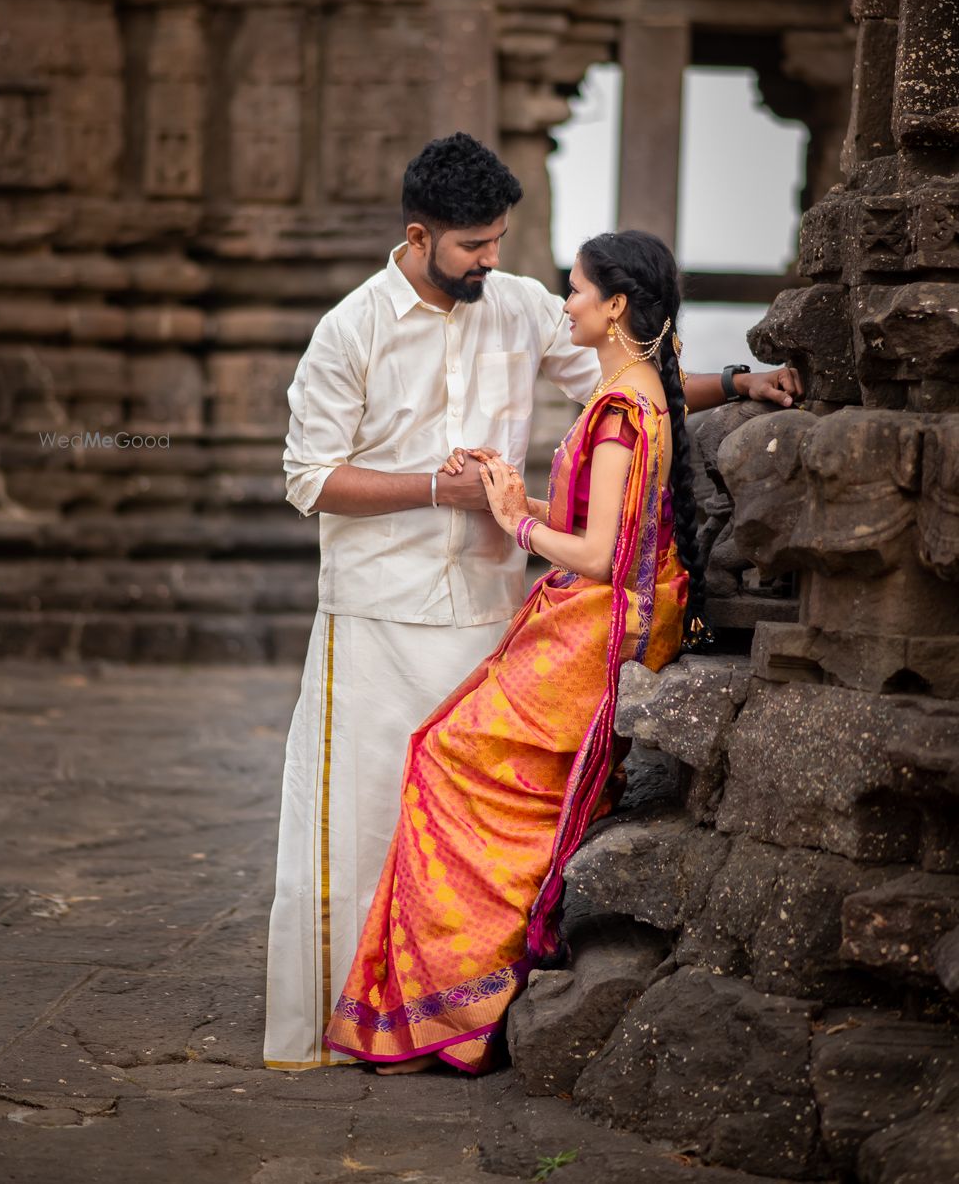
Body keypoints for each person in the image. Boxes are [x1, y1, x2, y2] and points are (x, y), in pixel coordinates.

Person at [264, 133, 801, 1070]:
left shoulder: (513, 307)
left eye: (501, 241)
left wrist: (739, 382)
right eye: (475, 246)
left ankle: (447, 1015)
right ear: (420, 235)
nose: (494, 262)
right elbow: (309, 478)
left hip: (488, 605)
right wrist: (439, 488)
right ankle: (340, 1021)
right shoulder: (352, 328)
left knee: (463, 820)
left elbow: (632, 368)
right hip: (378, 610)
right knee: (363, 821)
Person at [323, 228, 698, 1074]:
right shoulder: (635, 395)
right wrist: (511, 489)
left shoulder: (621, 412)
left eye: (575, 291)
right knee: (445, 752)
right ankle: (446, 998)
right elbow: (605, 526)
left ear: (615, 309)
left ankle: (455, 1000)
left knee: (445, 759)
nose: (562, 303)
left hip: (597, 622)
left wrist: (515, 524)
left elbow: (599, 555)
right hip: (599, 613)